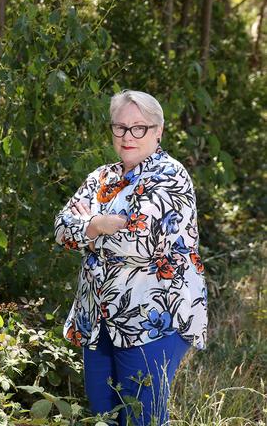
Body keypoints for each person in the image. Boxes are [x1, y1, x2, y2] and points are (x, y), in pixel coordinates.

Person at [53, 90, 208, 425]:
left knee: (142, 419)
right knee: (102, 418)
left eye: (139, 128)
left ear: (158, 131)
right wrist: (102, 224)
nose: (127, 136)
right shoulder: (102, 177)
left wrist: (89, 228)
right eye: (120, 127)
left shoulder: (170, 176)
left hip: (153, 320)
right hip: (97, 320)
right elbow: (61, 229)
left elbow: (139, 244)